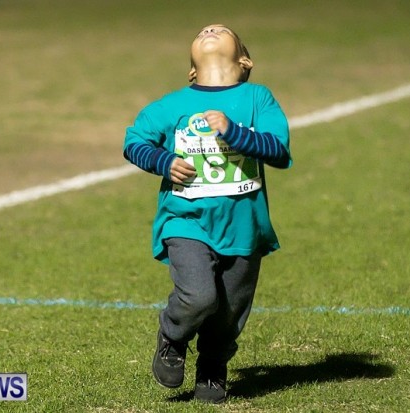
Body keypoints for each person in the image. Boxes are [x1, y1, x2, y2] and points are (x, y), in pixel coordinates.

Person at [123, 23, 292, 404]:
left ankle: (213, 364)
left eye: (221, 30)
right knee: (198, 296)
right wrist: (164, 161)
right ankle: (172, 335)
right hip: (186, 220)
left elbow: (278, 149)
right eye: (203, 31)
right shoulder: (173, 105)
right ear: (191, 70)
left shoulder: (258, 98)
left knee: (230, 311)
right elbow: (134, 141)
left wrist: (234, 131)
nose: (210, 30)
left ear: (245, 60)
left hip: (244, 227)